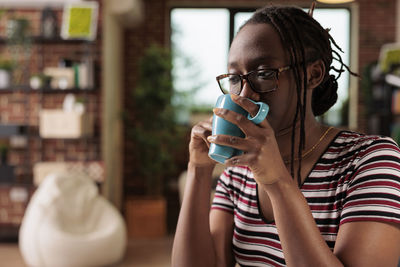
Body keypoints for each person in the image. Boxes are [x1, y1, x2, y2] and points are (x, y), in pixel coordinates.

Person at [172, 3, 400, 267]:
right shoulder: (237, 173)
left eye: (264, 74)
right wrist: (198, 171)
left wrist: (277, 181)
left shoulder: (371, 160)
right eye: (235, 78)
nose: (245, 94)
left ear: (313, 74)